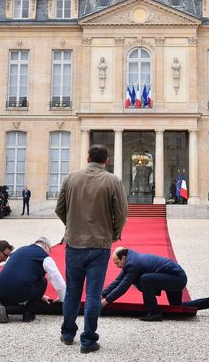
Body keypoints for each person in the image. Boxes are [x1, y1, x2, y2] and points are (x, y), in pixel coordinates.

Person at [55, 144, 128, 354]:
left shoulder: (71, 178)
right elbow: (121, 213)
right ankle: (88, 340)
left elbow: (59, 209)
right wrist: (113, 234)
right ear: (106, 160)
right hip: (99, 245)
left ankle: (68, 334)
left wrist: (72, 226)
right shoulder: (112, 180)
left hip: (74, 243)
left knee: (72, 291)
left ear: (88, 158)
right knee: (94, 293)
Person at [102, 247, 209, 321]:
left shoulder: (133, 263)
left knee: (145, 279)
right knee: (177, 306)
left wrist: (104, 302)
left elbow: (123, 287)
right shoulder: (131, 260)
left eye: (117, 263)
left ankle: (154, 312)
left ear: (123, 258)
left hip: (176, 278)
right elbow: (117, 281)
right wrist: (102, 294)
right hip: (175, 276)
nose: (117, 266)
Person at [0, 236, 66, 323]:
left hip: (0, 290)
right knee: (43, 281)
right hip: (21, 291)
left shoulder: (19, 250)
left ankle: (1, 304)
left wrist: (41, 296)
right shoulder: (44, 256)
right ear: (46, 246)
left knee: (6, 291)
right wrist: (62, 298)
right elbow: (57, 280)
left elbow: (15, 273)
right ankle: (28, 312)